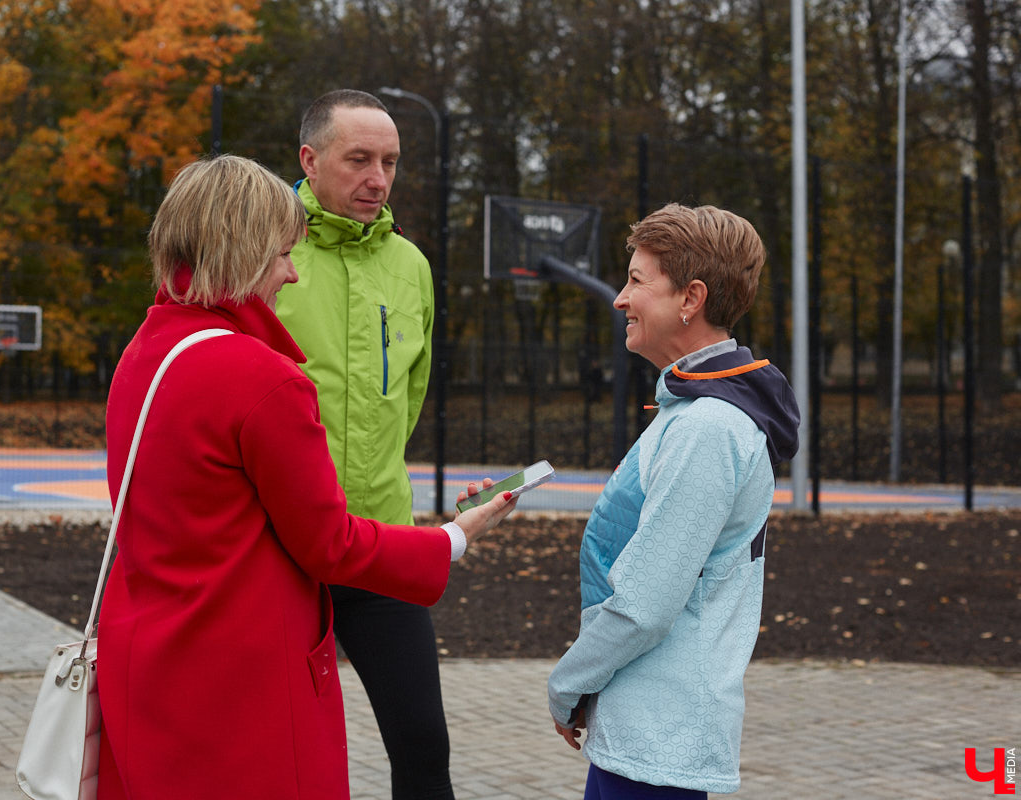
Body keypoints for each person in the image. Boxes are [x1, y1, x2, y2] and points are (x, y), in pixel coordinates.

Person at [95, 154, 517, 800]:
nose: (292, 274)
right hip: (244, 670)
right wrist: (454, 537)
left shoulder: (142, 354)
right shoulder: (263, 378)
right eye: (283, 255)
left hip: (150, 654)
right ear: (242, 251)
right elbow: (330, 544)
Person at [547, 203, 801, 799]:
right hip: (643, 728)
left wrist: (566, 683)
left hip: (661, 737)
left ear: (691, 298)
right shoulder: (693, 411)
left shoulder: (708, 428)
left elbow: (647, 603)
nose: (619, 298)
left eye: (636, 281)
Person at [274, 90, 454, 799]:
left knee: (422, 745)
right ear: (310, 162)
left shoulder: (410, 266)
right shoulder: (265, 250)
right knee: (276, 749)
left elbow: (407, 398)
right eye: (359, 160)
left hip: (378, 542)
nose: (377, 178)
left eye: (389, 162)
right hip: (277, 551)